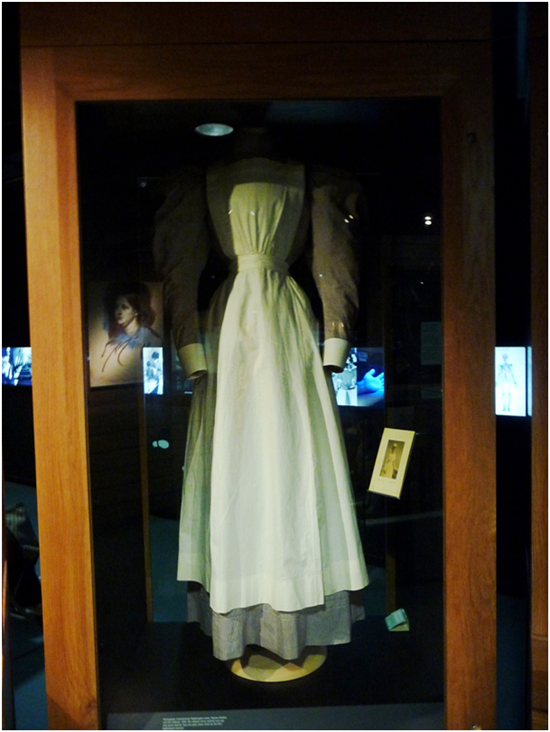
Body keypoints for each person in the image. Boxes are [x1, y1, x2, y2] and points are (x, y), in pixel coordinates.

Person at [100, 282, 162, 373]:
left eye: (124, 307)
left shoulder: (150, 340)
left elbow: (153, 374)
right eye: (117, 307)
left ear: (136, 311)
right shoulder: (115, 341)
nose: (119, 312)